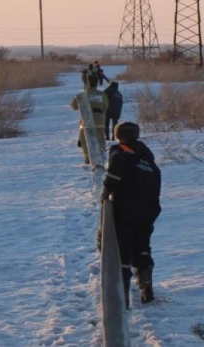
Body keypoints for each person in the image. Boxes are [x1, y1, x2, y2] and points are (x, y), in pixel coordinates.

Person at [100, 122, 161, 308]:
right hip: (149, 211)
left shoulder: (120, 151)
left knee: (123, 250)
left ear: (119, 136)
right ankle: (145, 284)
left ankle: (123, 293)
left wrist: (105, 193)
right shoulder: (149, 161)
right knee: (142, 246)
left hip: (126, 209)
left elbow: (114, 175)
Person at [70, 74, 109, 164]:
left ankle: (88, 160)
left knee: (85, 141)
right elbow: (105, 106)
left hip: (86, 122)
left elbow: (73, 106)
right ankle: (101, 158)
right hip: (99, 121)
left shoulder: (82, 95)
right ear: (97, 83)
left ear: (87, 83)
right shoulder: (102, 95)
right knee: (100, 140)